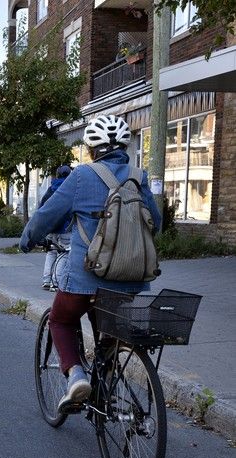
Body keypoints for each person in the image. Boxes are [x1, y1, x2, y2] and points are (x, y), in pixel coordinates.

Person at [19, 114, 162, 412]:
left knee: (60, 319)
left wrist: (28, 239)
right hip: (131, 279)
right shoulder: (140, 176)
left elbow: (48, 214)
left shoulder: (82, 176)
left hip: (84, 279)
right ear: (125, 145)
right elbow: (156, 224)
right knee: (109, 332)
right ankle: (107, 382)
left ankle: (76, 376)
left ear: (91, 149)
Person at [39, 165, 73, 290]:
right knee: (63, 254)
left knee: (51, 252)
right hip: (65, 228)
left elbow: (42, 207)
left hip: (51, 227)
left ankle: (46, 280)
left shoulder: (51, 189)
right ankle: (56, 282)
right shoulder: (70, 189)